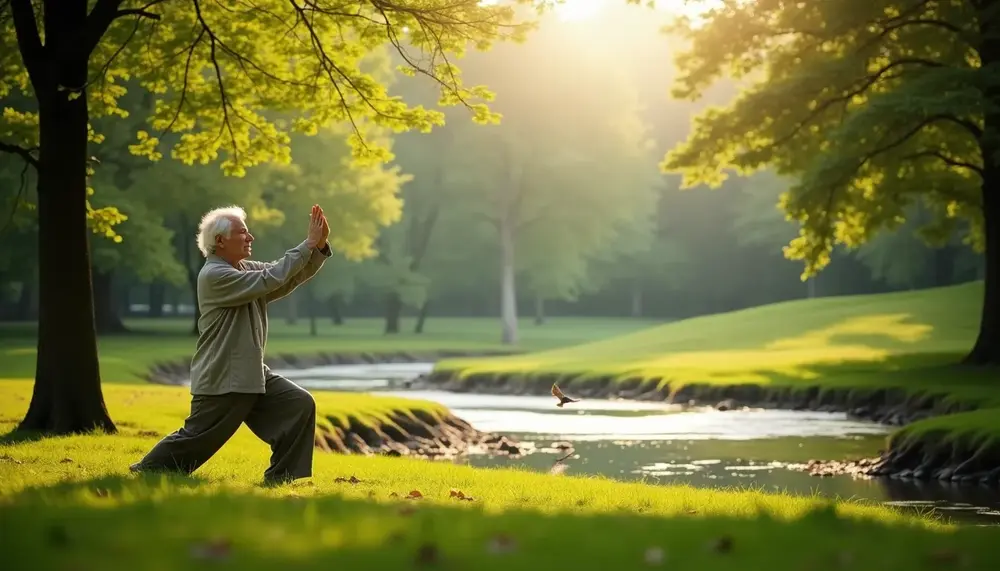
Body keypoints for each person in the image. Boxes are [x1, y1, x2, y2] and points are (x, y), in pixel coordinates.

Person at [130, 203, 333, 485]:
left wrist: (318, 249)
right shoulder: (215, 275)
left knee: (298, 404)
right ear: (220, 241)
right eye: (243, 233)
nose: (250, 238)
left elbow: (284, 278)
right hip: (223, 375)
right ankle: (145, 471)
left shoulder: (243, 269)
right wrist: (307, 243)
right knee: (196, 438)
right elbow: (271, 277)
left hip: (250, 373)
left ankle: (280, 479)